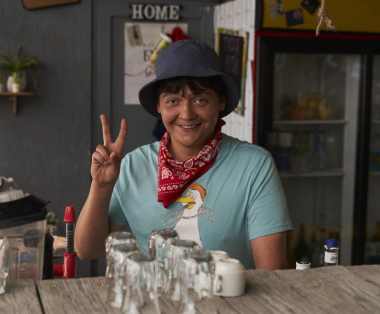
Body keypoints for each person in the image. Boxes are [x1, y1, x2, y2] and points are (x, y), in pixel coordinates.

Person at [75, 40, 293, 270]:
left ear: (220, 101)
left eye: (200, 100)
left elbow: (270, 271)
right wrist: (101, 186)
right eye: (173, 101)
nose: (186, 114)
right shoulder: (132, 166)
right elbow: (88, 250)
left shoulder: (254, 166)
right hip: (155, 293)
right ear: (159, 106)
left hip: (232, 293)